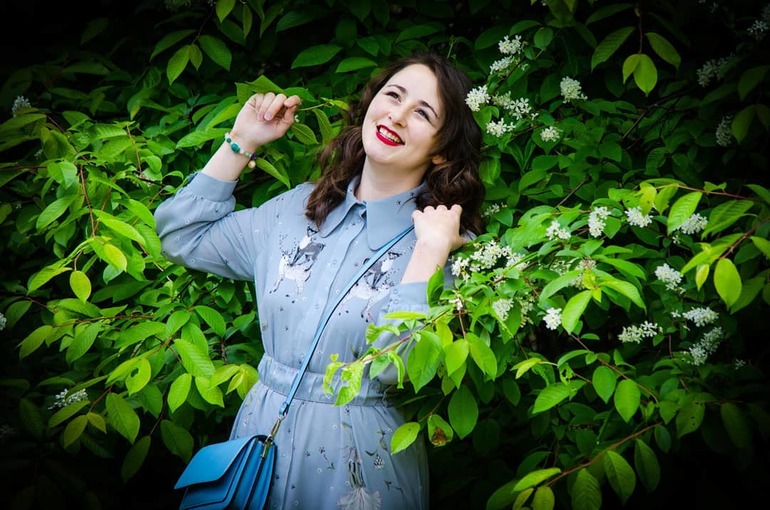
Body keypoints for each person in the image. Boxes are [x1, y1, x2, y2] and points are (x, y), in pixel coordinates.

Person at [154, 51, 485, 509]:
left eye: (422, 113)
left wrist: (430, 253)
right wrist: (241, 142)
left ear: (442, 149)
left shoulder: (442, 245)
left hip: (359, 465)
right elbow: (181, 237)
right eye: (393, 95)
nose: (397, 115)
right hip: (259, 439)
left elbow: (396, 367)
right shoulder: (295, 210)